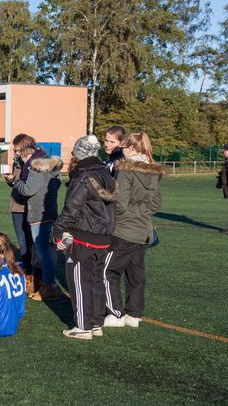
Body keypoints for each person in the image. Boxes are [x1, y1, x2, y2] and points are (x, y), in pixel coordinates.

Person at [52, 135, 117, 340]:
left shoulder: (84, 177)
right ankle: (96, 322)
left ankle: (83, 325)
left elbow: (72, 208)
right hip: (104, 236)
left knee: (79, 281)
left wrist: (58, 230)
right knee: (96, 280)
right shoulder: (106, 173)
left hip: (84, 235)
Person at [103, 131, 163, 328]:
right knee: (135, 273)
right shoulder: (153, 171)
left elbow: (120, 203)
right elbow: (155, 204)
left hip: (124, 229)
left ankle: (115, 313)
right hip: (143, 229)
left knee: (107, 271)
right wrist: (140, 213)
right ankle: (134, 314)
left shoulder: (126, 169)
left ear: (130, 149)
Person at [11, 148, 63, 301]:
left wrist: (16, 181)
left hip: (39, 215)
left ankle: (49, 286)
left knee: (43, 253)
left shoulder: (36, 170)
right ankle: (49, 284)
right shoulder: (53, 170)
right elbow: (57, 184)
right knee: (47, 251)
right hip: (50, 212)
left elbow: (28, 190)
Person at [4, 133, 36, 280]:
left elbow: (30, 186)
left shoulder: (34, 162)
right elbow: (16, 182)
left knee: (32, 241)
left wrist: (15, 181)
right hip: (17, 205)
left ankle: (37, 274)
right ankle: (28, 273)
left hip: (30, 206)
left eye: (16, 149)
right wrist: (10, 180)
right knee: (22, 241)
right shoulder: (17, 160)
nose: (14, 152)